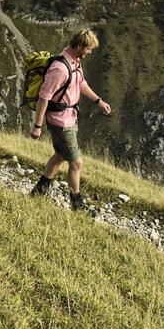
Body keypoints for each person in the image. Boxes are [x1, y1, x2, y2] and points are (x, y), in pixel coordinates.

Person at [29, 28, 111, 212]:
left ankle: (39, 191)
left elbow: (81, 83)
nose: (89, 52)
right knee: (76, 163)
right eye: (88, 48)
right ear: (80, 45)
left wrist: (98, 100)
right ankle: (77, 204)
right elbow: (44, 97)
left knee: (59, 155)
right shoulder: (59, 69)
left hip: (70, 117)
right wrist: (37, 126)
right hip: (60, 121)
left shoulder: (75, 62)